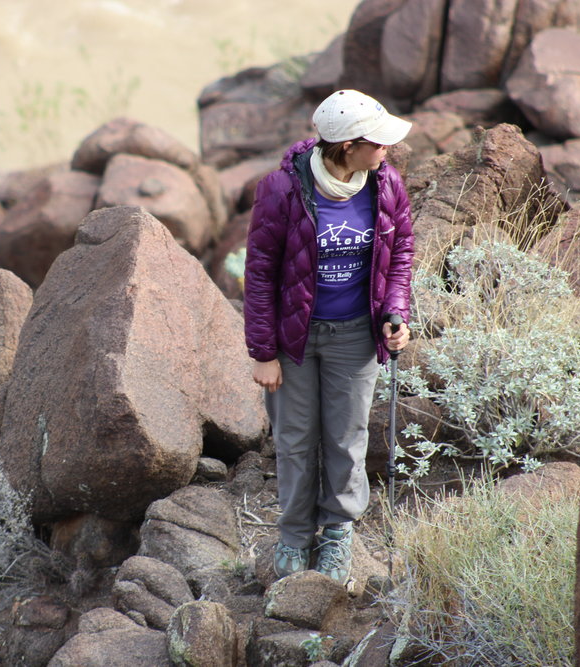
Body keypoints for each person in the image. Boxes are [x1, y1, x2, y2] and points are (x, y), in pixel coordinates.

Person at [243, 89, 414, 584]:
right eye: (377, 142)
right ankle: (295, 538)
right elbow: (259, 274)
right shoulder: (280, 190)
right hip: (294, 339)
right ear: (346, 147)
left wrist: (394, 312)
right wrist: (263, 352)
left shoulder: (385, 184)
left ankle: (337, 534)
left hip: (355, 337)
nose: (387, 150)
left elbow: (400, 251)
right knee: (295, 441)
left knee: (346, 439)